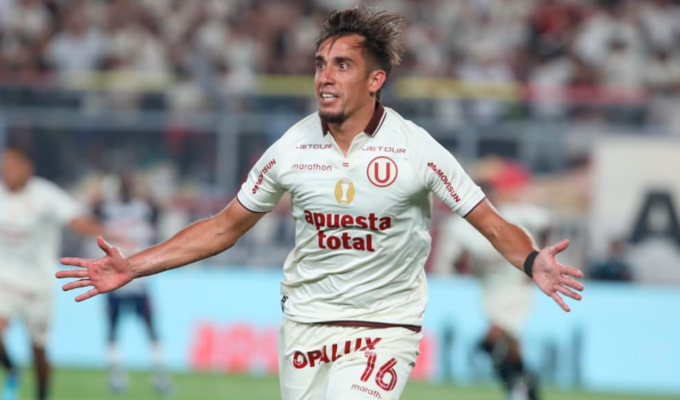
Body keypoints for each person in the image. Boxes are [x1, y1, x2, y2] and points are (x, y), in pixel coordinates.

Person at [57, 7, 584, 400]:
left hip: (384, 327)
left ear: (375, 80)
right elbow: (223, 227)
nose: (324, 77)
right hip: (305, 325)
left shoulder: (416, 149)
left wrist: (532, 260)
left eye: (342, 65)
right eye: (320, 64)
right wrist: (134, 266)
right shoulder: (292, 148)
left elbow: (490, 223)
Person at [0, 142, 110, 400]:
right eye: (4, 165)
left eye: (12, 165)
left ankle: (41, 395)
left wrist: (109, 235)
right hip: (4, 280)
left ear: (27, 168)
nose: (6, 170)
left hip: (38, 285)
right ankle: (12, 369)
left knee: (38, 350)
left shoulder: (45, 194)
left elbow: (76, 219)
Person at [432, 179, 553, 400]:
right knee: (510, 351)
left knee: (491, 341)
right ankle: (523, 388)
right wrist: (463, 263)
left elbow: (546, 222)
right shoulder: (461, 227)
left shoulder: (512, 215)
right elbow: (456, 264)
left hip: (516, 289)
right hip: (489, 292)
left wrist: (538, 258)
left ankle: (519, 387)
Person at [90, 172, 172, 395]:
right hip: (116, 280)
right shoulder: (110, 208)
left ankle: (158, 374)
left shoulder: (141, 206)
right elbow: (92, 213)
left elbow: (159, 210)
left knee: (148, 328)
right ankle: (116, 374)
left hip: (138, 278)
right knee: (115, 328)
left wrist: (145, 189)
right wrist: (103, 190)